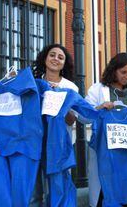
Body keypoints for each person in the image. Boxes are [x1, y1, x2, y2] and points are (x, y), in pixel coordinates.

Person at [85, 53, 127, 207]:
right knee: (105, 189)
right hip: (106, 151)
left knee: (126, 189)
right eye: (123, 72)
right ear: (114, 70)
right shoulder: (98, 89)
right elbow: (83, 115)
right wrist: (99, 108)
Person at [31, 44, 79, 206]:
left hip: (58, 147)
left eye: (60, 57)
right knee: (34, 192)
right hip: (34, 143)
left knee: (58, 190)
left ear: (64, 64)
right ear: (45, 58)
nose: (55, 59)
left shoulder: (70, 87)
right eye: (52, 55)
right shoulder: (33, 84)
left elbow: (72, 120)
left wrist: (58, 100)